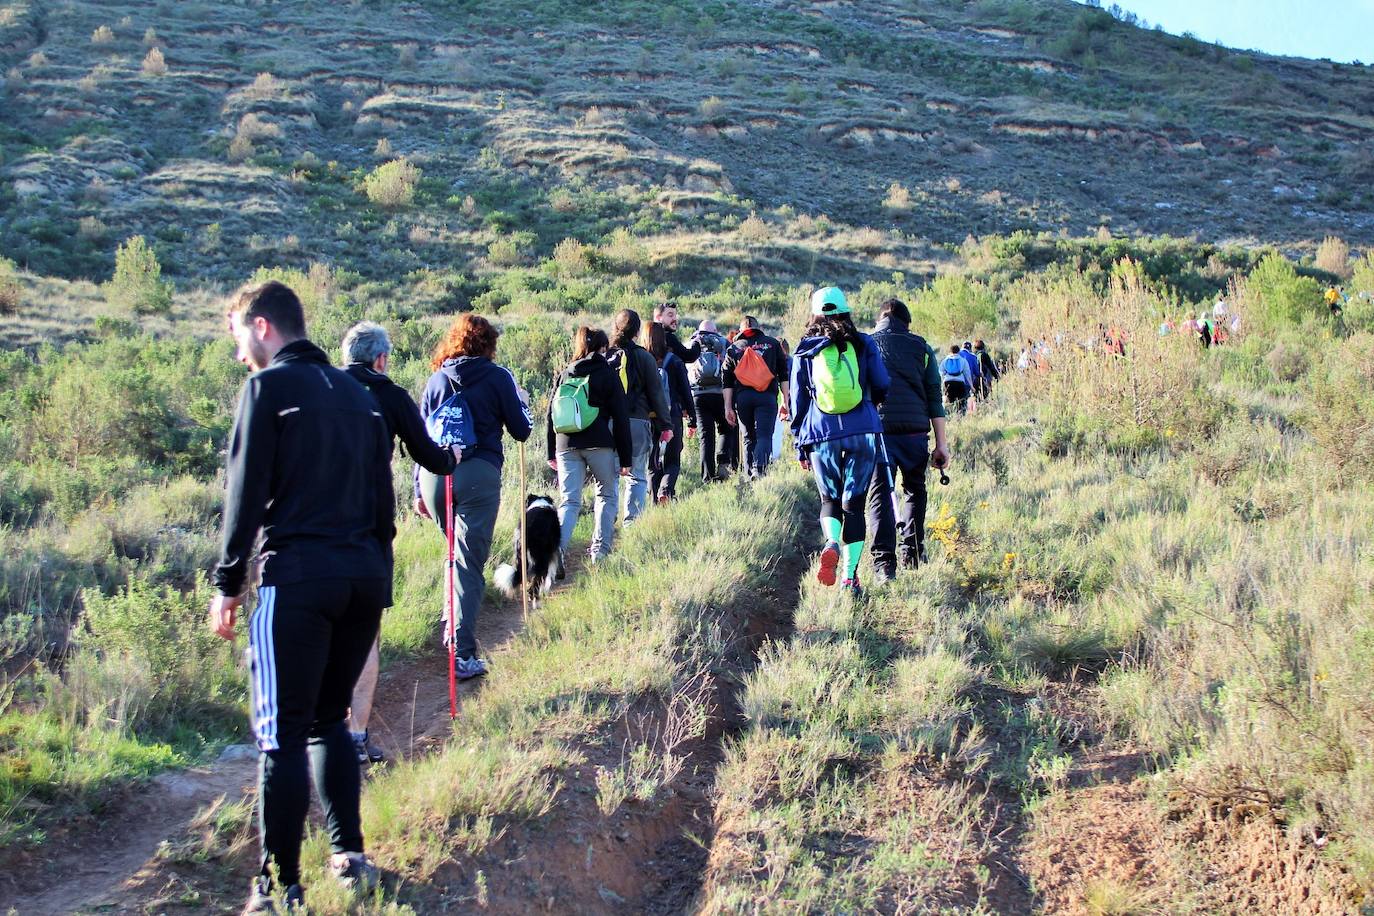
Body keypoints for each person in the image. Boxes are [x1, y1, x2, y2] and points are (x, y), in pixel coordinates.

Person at [208, 281, 390, 912]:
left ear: (262, 326)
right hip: (364, 578)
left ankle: (278, 886)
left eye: (237, 337)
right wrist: (374, 574)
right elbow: (382, 503)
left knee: (282, 734)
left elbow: (245, 492)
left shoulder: (267, 390)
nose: (238, 356)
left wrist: (228, 582)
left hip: (301, 579)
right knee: (330, 719)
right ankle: (350, 856)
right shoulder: (358, 393)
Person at [340, 321, 459, 766]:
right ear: (382, 359)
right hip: (369, 527)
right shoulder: (388, 394)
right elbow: (428, 454)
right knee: (364, 631)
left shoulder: (320, 388)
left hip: (315, 529)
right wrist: (453, 458)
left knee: (326, 629)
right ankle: (355, 736)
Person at [416, 314, 532, 682]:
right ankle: (462, 653)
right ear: (488, 344)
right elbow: (521, 430)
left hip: (435, 477)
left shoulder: (436, 380)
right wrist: (522, 402)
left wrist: (418, 488)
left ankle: (453, 629)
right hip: (478, 473)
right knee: (467, 563)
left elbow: (419, 437)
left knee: (454, 554)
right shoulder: (498, 378)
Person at [790, 287, 889, 597]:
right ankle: (850, 578)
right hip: (863, 430)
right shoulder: (864, 343)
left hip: (822, 433)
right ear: (846, 311)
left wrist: (801, 442)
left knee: (829, 500)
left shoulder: (805, 350)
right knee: (855, 507)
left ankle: (831, 540)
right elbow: (883, 383)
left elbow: (797, 400)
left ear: (814, 314)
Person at [865, 299, 950, 581]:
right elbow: (935, 398)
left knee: (880, 495)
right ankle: (912, 553)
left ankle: (883, 565)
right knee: (914, 490)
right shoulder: (922, 347)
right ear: (907, 322)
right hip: (915, 433)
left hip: (879, 432)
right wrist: (941, 444)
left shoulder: (867, 345)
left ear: (880, 320)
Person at [546, 327, 631, 566]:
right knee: (606, 494)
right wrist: (626, 458)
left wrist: (551, 450)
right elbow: (621, 418)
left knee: (569, 501)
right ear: (603, 348)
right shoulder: (607, 374)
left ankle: (557, 553)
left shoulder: (565, 373)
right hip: (599, 444)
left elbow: (550, 414)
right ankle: (599, 552)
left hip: (565, 444)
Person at [608, 308, 672, 524]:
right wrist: (666, 425)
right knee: (636, 477)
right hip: (637, 422)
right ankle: (631, 525)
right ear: (637, 331)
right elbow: (656, 393)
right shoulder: (644, 357)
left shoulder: (605, 355)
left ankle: (605, 526)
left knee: (609, 479)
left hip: (607, 424)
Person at [723, 316, 790, 479]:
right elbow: (783, 375)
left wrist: (728, 407)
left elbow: (727, 381)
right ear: (758, 327)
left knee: (747, 438)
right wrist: (786, 401)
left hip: (743, 398)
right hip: (766, 397)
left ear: (741, 330)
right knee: (765, 436)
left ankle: (748, 476)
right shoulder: (773, 344)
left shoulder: (733, 349)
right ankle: (759, 469)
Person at [647, 321, 697, 503]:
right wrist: (692, 418)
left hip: (649, 417)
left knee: (652, 463)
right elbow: (686, 391)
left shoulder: (643, 360)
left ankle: (654, 502)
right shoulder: (674, 360)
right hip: (673, 414)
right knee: (672, 460)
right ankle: (665, 491)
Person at [688, 319, 735, 481]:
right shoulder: (723, 342)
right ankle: (723, 463)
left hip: (698, 396)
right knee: (726, 428)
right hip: (721, 394)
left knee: (705, 435)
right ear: (714, 330)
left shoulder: (692, 343)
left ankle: (707, 476)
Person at [940, 344, 974, 415]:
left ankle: (949, 416)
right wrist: (971, 386)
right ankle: (960, 416)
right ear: (958, 351)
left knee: (949, 402)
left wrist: (941, 385)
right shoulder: (963, 360)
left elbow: (941, 373)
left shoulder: (945, 360)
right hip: (960, 383)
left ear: (950, 351)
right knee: (961, 402)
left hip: (948, 383)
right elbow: (968, 374)